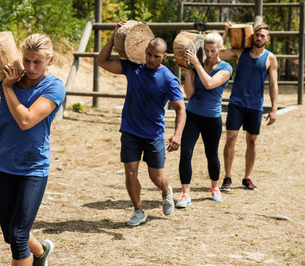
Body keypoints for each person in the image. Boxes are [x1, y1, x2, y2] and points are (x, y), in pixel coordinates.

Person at [0, 33, 65, 266]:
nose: (30, 67)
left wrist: (8, 89)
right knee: (11, 234)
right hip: (5, 162)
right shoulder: (10, 77)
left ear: (50, 61)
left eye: (37, 62)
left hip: (33, 168)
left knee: (18, 234)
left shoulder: (54, 87)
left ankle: (37, 254)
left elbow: (26, 120)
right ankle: (40, 253)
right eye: (26, 60)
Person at [96, 20, 186, 227]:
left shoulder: (168, 79)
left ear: (164, 57)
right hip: (130, 131)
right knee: (130, 173)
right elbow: (102, 61)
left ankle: (166, 191)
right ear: (145, 51)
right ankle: (138, 210)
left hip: (153, 134)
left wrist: (177, 134)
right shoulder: (132, 68)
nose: (151, 59)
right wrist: (114, 37)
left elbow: (181, 108)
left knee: (157, 178)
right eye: (149, 54)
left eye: (156, 56)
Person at [219, 22, 278, 192]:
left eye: (262, 36)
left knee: (251, 142)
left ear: (268, 38)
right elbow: (218, 54)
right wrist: (225, 33)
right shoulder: (240, 52)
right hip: (236, 103)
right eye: (257, 35)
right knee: (230, 139)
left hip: (255, 106)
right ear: (253, 36)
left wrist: (274, 109)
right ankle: (227, 178)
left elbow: (273, 85)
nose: (259, 38)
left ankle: (247, 178)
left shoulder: (270, 58)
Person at [176, 32, 232, 207]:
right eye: (206, 50)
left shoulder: (226, 68)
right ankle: (186, 194)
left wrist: (197, 65)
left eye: (213, 51)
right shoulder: (196, 66)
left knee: (211, 154)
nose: (209, 54)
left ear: (220, 49)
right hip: (192, 116)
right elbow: (190, 94)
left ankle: (214, 187)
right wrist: (189, 72)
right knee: (185, 153)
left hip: (212, 118)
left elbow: (209, 84)